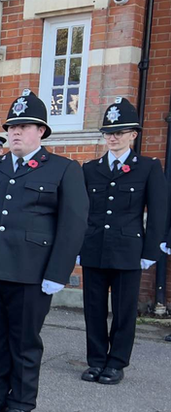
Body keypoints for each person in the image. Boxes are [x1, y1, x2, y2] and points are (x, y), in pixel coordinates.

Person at [0, 89, 88, 412]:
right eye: (11, 127)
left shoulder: (64, 170)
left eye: (25, 126)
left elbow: (73, 224)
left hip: (31, 273)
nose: (16, 132)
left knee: (23, 341)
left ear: (41, 131)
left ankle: (21, 403)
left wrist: (57, 272)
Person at [79, 98, 166, 385]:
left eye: (120, 131)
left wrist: (151, 250)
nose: (113, 137)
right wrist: (78, 247)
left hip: (129, 249)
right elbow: (81, 212)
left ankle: (116, 362)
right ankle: (95, 360)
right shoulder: (90, 169)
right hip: (94, 246)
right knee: (93, 308)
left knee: (124, 309)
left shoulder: (148, 167)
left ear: (133, 134)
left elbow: (158, 211)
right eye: (108, 132)